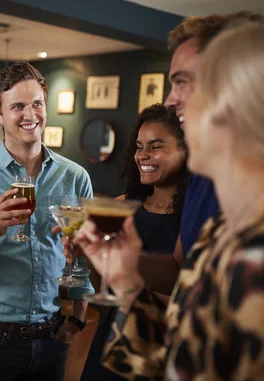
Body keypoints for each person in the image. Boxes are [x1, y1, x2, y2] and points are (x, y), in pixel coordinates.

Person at [75, 21, 264, 380]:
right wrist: (126, 277)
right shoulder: (220, 231)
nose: (170, 100)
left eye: (182, 82)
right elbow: (175, 359)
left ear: (238, 93)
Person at [0, 62, 94, 381]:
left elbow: (80, 253)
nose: (31, 115)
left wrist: (78, 317)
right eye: (17, 106)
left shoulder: (75, 177)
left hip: (53, 337)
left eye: (37, 104)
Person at [138, 11, 262, 295]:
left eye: (181, 82)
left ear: (234, 88)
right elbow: (186, 291)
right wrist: (119, 264)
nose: (169, 100)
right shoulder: (203, 180)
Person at [81, 104, 188, 380]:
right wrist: (84, 254)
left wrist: (120, 261)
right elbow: (102, 294)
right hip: (112, 338)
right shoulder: (121, 208)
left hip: (160, 343)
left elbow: (181, 293)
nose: (143, 156)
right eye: (139, 147)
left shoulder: (192, 218)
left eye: (156, 146)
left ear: (186, 150)